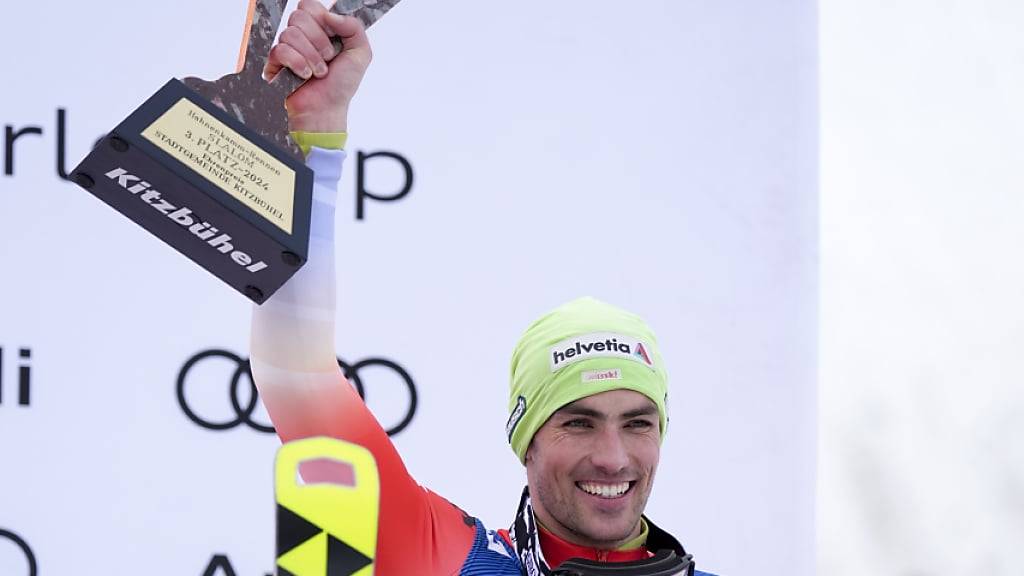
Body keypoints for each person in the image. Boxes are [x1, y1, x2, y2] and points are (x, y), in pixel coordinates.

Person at [251, 2, 717, 574]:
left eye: (638, 422)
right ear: (526, 439)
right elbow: (296, 377)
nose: (613, 457)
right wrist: (316, 139)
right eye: (578, 421)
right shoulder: (446, 558)